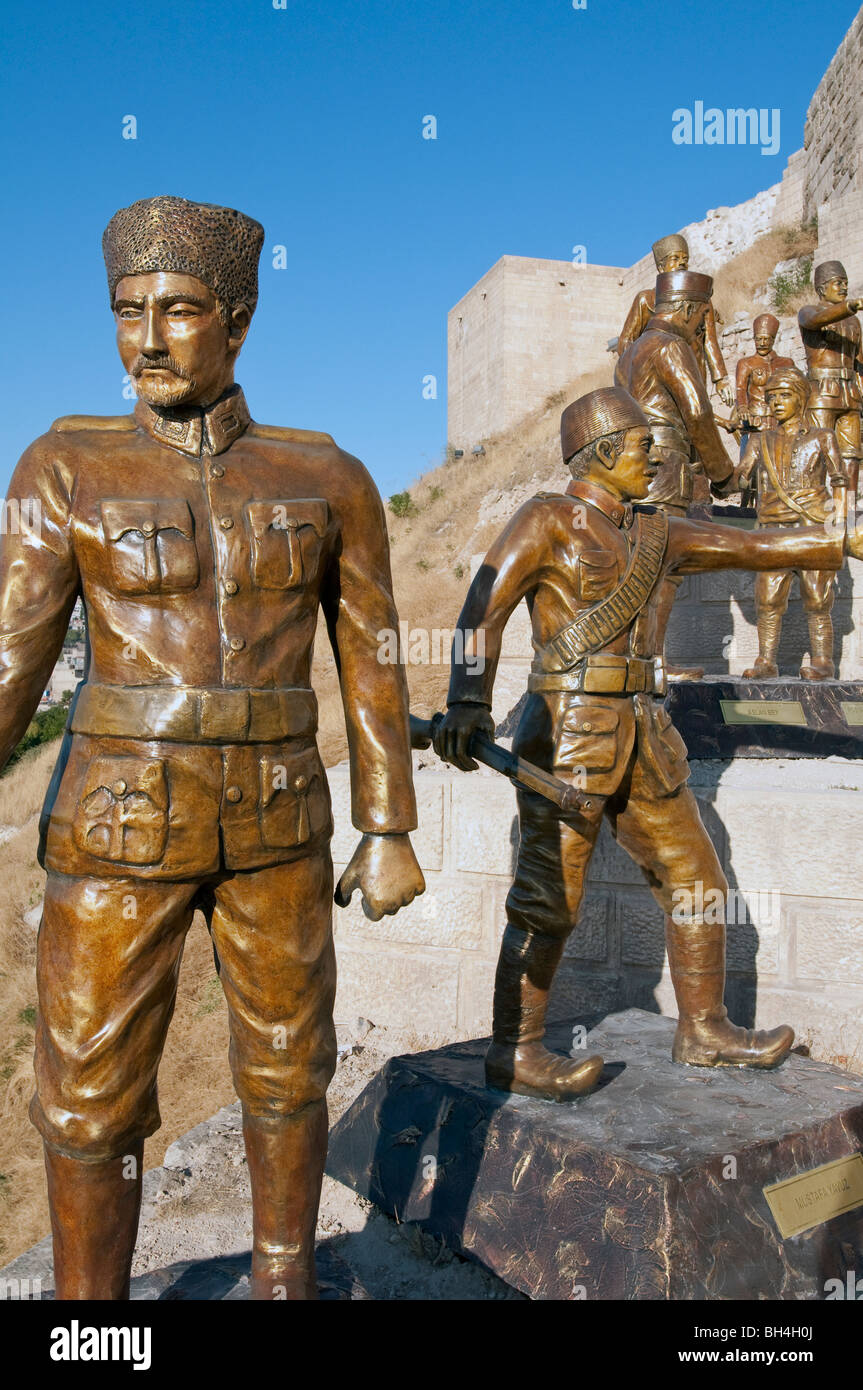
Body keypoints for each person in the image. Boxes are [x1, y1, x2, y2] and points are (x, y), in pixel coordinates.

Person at [0, 195, 424, 1300]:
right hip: (114, 823)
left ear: (236, 322)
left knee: (291, 1064)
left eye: (177, 310)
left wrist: (388, 825)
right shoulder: (64, 466)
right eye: (126, 311)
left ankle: (286, 1283)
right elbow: (10, 661)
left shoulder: (326, 475)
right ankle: (91, 1323)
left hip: (279, 818)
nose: (145, 337)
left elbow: (371, 657)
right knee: (89, 1091)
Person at [433, 386, 858, 1102]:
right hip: (566, 735)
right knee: (546, 900)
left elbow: (754, 545)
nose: (655, 454)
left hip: (644, 733)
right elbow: (482, 610)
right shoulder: (545, 521)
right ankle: (515, 1051)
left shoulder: (661, 532)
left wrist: (836, 540)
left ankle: (704, 1029)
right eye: (639, 446)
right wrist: (466, 701)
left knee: (697, 880)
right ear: (600, 455)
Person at [616, 269, 735, 679]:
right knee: (662, 566)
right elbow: (698, 414)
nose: (703, 326)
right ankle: (654, 662)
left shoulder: (630, 353)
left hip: (633, 469)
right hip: (667, 463)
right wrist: (724, 474)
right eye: (702, 317)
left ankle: (639, 660)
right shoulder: (671, 346)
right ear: (686, 309)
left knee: (640, 562)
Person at [737, 365, 847, 680]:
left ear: (801, 398)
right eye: (771, 397)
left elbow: (839, 479)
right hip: (773, 529)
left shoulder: (823, 437)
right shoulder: (760, 441)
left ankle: (823, 662)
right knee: (768, 599)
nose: (777, 403)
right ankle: (765, 661)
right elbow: (741, 475)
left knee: (817, 598)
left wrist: (838, 520)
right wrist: (734, 478)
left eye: (785, 395)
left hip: (813, 527)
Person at [616, 233, 733, 408]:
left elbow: (710, 341)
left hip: (694, 373)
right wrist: (640, 365)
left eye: (685, 259)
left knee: (696, 420)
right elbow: (626, 341)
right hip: (656, 378)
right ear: (661, 267)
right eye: (675, 258)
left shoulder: (702, 300)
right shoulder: (646, 300)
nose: (681, 263)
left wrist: (720, 379)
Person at [798, 259, 863, 487]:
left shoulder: (854, 322)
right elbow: (815, 321)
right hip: (822, 393)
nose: (844, 288)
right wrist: (849, 306)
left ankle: (849, 510)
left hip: (850, 395)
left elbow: (859, 363)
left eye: (845, 283)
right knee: (820, 450)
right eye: (838, 283)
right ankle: (816, 508)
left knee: (851, 455)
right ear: (821, 289)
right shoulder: (808, 312)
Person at [734, 313, 795, 454]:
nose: (762, 343)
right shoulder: (746, 363)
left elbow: (795, 389)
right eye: (758, 339)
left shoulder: (786, 363)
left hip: (780, 421)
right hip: (755, 422)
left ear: (773, 340)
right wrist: (742, 407)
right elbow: (740, 389)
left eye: (766, 339)